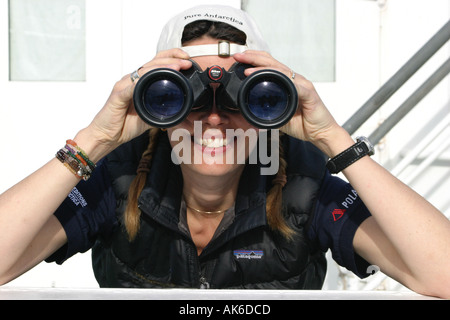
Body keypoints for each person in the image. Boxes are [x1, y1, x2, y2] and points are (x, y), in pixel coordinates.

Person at [0, 5, 449, 297]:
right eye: (185, 95)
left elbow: (443, 275)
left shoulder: (304, 189)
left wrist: (333, 138)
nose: (213, 118)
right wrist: (94, 140)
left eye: (245, 97)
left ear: (272, 107)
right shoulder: (115, 184)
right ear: (156, 105)